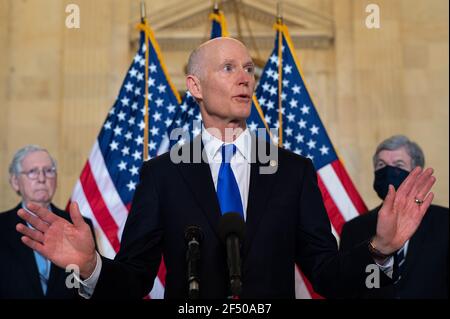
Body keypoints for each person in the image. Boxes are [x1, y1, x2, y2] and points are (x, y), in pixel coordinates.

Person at [16, 38, 437, 299]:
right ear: (195, 87)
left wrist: (379, 250)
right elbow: (134, 280)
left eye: (249, 69)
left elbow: (327, 276)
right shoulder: (162, 175)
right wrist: (90, 267)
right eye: (229, 68)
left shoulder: (293, 172)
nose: (245, 79)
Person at [340, 135, 448, 299]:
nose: (388, 171)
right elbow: (350, 288)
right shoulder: (354, 229)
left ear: (416, 173)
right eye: (381, 165)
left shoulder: (445, 222)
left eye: (398, 165)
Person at [0, 145, 95, 299]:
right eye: (32, 172)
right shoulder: (2, 227)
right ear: (15, 182)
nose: (42, 178)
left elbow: (90, 289)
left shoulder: (80, 226)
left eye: (49, 171)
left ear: (56, 179)